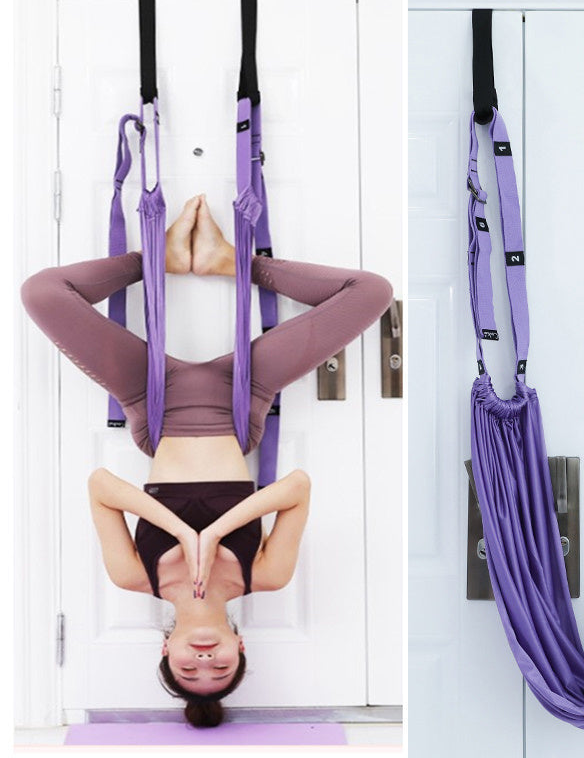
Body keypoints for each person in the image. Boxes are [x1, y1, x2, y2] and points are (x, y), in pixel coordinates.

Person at [20, 195, 393, 727]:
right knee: (372, 292)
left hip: (154, 405)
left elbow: (101, 485)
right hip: (238, 404)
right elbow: (297, 486)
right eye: (219, 670)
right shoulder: (266, 575)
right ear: (239, 645)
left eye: (188, 671)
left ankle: (156, 259)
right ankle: (233, 263)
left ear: (165, 649)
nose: (202, 662)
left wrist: (177, 527)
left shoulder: (135, 575)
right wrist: (214, 533)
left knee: (41, 293)